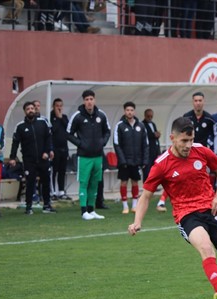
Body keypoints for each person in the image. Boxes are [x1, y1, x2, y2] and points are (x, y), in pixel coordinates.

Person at [128, 117, 217, 299]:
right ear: (172, 138)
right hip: (187, 214)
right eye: (184, 141)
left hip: (212, 209)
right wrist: (137, 221)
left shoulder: (201, 151)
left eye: (191, 140)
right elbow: (146, 196)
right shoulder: (162, 164)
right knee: (206, 248)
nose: (188, 145)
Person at [67, 89, 111, 220]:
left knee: (95, 183)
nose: (89, 102)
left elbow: (107, 131)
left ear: (94, 100)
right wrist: (81, 144)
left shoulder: (101, 115)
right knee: (84, 183)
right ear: (83, 101)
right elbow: (68, 133)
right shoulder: (78, 116)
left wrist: (102, 142)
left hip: (98, 156)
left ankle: (92, 210)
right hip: (84, 156)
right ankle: (83, 211)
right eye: (86, 100)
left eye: (91, 99)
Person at [9, 101, 57, 215]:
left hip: (43, 158)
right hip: (29, 160)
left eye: (32, 108)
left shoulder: (42, 123)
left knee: (46, 181)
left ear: (35, 110)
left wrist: (48, 151)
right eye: (28, 109)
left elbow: (48, 138)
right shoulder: (20, 126)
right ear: (25, 112)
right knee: (30, 183)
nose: (31, 110)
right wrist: (12, 157)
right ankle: (29, 207)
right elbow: (15, 143)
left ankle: (47, 205)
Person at [113, 101, 149, 214]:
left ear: (134, 111)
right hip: (124, 161)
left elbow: (146, 144)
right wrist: (122, 159)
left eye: (131, 110)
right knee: (123, 182)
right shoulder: (120, 125)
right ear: (124, 111)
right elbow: (116, 144)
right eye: (127, 110)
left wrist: (145, 160)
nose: (129, 112)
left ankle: (134, 205)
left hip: (136, 160)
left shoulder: (141, 126)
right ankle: (124, 205)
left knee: (135, 182)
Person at [49, 98, 72, 201]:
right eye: (57, 105)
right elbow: (53, 129)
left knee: (62, 170)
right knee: (54, 171)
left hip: (64, 148)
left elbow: (68, 128)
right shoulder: (50, 117)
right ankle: (52, 192)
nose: (59, 107)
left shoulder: (65, 117)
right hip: (54, 149)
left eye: (60, 105)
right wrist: (57, 118)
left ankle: (61, 191)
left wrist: (61, 118)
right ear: (53, 106)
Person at [141, 108, 162, 182]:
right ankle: (146, 185)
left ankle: (153, 185)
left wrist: (157, 135)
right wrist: (154, 135)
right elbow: (145, 136)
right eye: (148, 116)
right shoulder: (142, 124)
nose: (150, 118)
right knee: (147, 169)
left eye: (151, 116)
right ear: (145, 116)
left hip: (155, 149)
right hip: (147, 150)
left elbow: (155, 135)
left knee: (153, 169)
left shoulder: (153, 124)